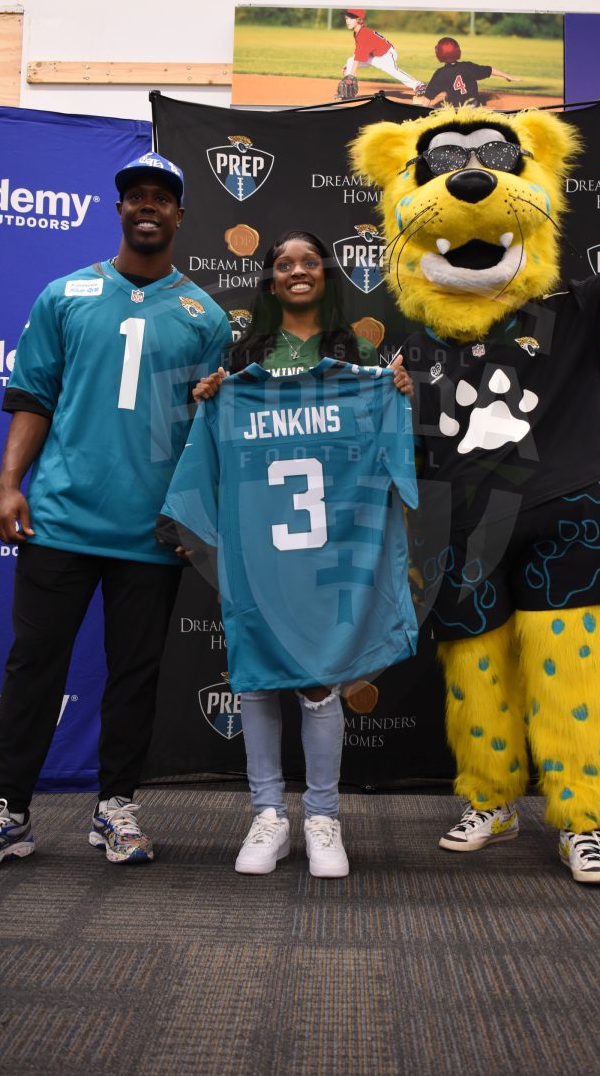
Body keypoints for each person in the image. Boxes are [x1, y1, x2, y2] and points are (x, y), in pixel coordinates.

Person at [0, 152, 232, 875]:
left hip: (149, 532)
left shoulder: (204, 316)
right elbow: (33, 396)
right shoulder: (66, 294)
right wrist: (7, 483)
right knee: (32, 667)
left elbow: (203, 432)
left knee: (134, 674)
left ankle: (116, 805)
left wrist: (192, 515)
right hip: (58, 518)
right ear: (119, 209)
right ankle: (8, 810)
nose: (147, 207)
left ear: (180, 215)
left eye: (161, 198)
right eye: (135, 196)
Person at [172, 231, 414, 879]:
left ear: (324, 275)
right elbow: (216, 440)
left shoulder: (355, 351)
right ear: (271, 279)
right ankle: (268, 813)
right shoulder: (243, 355)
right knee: (254, 669)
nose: (298, 270)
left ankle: (323, 815)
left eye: (309, 261)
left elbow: (385, 434)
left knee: (318, 672)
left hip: (330, 537)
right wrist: (207, 398)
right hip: (260, 536)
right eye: (285, 264)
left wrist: (398, 391)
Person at [416, 37, 520, 109]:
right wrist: (508, 76)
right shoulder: (468, 66)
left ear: (439, 54)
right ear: (457, 51)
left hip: (454, 109)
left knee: (435, 104)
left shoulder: (440, 73)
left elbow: (428, 97)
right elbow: (490, 70)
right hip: (472, 106)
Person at [340, 9, 426, 97]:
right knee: (350, 61)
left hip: (386, 54)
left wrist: (351, 75)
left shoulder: (364, 34)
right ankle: (349, 91)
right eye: (346, 18)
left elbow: (359, 57)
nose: (347, 21)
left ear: (359, 19)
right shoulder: (357, 32)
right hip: (374, 55)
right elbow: (358, 51)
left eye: (350, 18)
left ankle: (418, 85)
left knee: (393, 71)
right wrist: (348, 66)